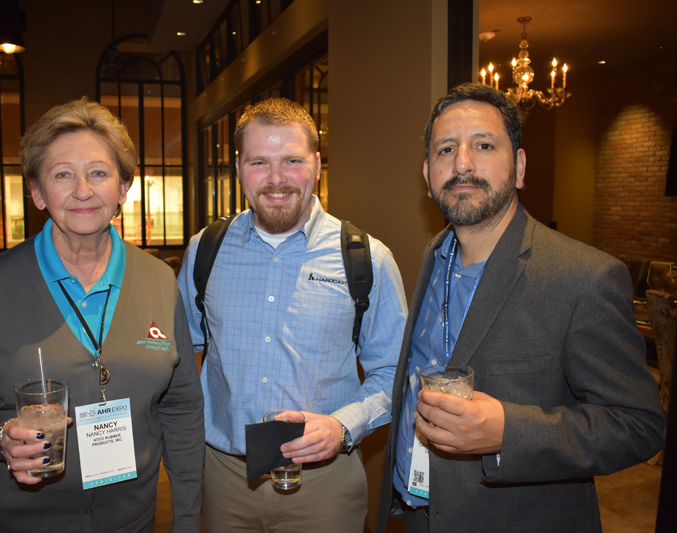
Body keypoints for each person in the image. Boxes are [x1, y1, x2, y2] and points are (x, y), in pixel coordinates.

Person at [377, 83, 666, 533]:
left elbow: (639, 424)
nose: (462, 163)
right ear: (428, 174)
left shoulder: (583, 277)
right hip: (417, 515)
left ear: (520, 167)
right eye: (446, 149)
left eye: (484, 145)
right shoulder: (435, 256)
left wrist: (506, 432)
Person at [0, 97, 204, 533]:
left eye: (99, 173)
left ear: (123, 188)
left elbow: (181, 407)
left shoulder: (159, 281)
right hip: (15, 524)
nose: (82, 190)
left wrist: (186, 519)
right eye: (62, 175)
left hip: (129, 522)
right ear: (37, 192)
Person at [177, 98, 408, 532]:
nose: (276, 179)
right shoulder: (204, 251)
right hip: (225, 480)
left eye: (292, 160)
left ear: (317, 164)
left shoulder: (367, 259)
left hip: (324, 487)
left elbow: (394, 372)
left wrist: (342, 425)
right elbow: (174, 358)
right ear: (239, 167)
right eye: (259, 162)